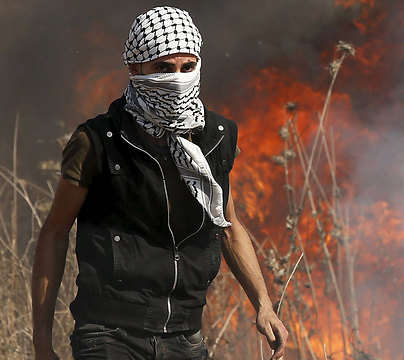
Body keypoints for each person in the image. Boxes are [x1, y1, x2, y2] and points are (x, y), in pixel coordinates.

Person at [31, 6, 288, 360]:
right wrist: (41, 342)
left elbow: (228, 228)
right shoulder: (98, 141)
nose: (178, 79)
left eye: (187, 67)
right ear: (136, 68)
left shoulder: (215, 137)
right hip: (109, 333)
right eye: (163, 69)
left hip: (185, 335)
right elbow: (54, 232)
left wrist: (264, 306)